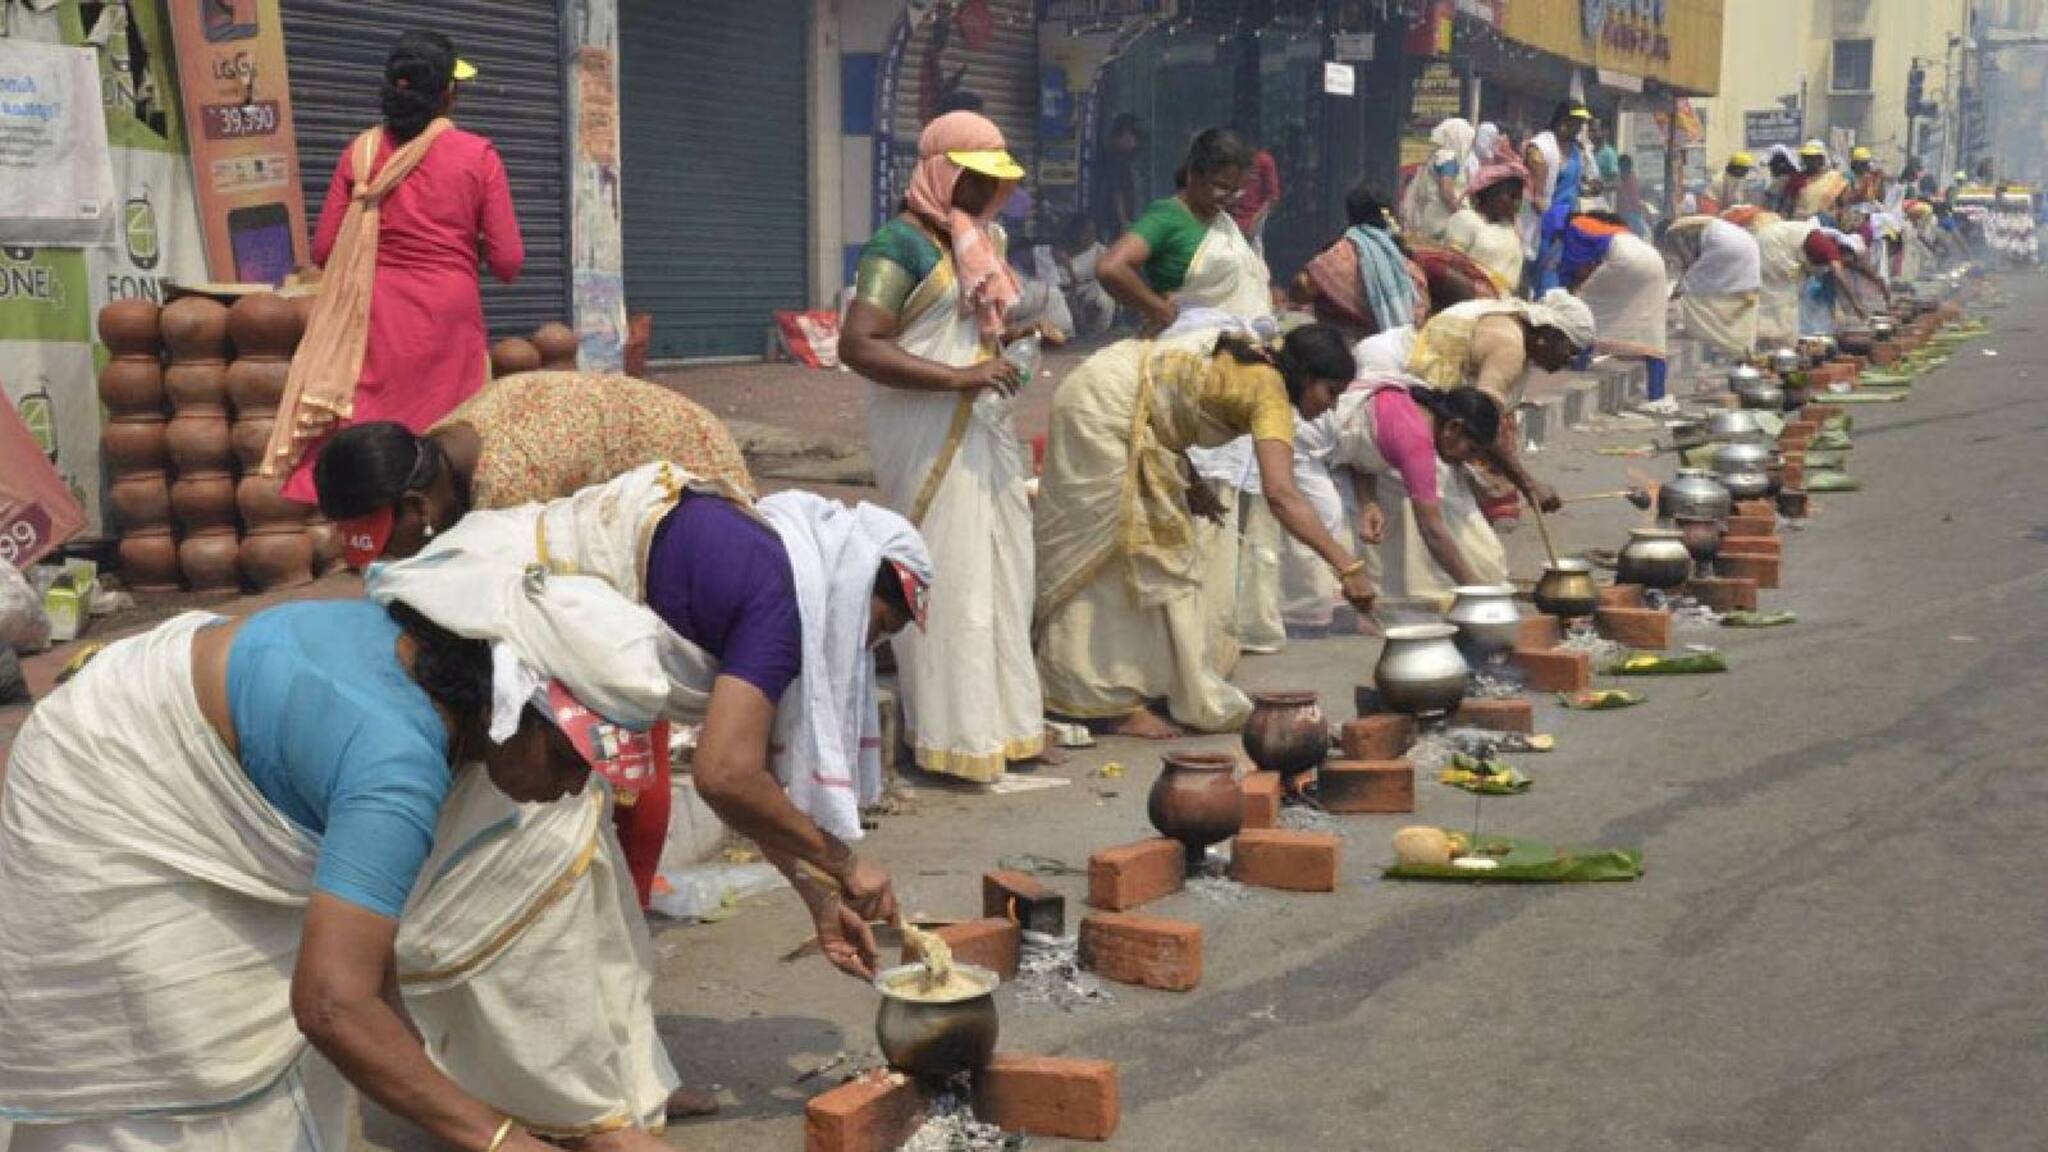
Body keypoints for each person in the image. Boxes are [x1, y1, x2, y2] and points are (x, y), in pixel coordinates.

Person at [0, 578, 675, 1151]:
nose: (569, 791)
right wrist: (502, 1139)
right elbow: (330, 1006)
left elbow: (361, 967)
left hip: (171, 718)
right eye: (566, 762)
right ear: (506, 710)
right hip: (114, 787)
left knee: (304, 1063)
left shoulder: (428, 674)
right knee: (201, 1078)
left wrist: (444, 1094)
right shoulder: (396, 762)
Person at [838, 111, 1055, 782]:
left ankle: (1006, 727)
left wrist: (1016, 342)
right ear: (945, 174)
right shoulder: (897, 246)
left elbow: (980, 332)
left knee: (1004, 574)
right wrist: (960, 376)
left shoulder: (979, 241)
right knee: (950, 576)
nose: (991, 198)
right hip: (927, 435)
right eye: (979, 182)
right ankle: (953, 738)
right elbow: (859, 344)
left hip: (983, 433)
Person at [1034, 326, 1370, 738]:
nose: (1331, 407)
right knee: (1112, 552)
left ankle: (1136, 681)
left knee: (1155, 554)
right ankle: (1100, 700)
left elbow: (1170, 409)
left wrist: (1191, 483)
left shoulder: (1261, 367)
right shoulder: (1271, 396)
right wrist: (1347, 566)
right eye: (1330, 393)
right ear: (1305, 375)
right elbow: (1282, 495)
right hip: (1105, 408)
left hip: (1119, 394)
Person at [267, 30, 522, 502]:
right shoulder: (477, 156)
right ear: (448, 93)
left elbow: (325, 249)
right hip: (448, 319)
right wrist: (470, 246)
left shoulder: (359, 154)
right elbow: (509, 260)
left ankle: (376, 538)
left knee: (374, 435)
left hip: (372, 320)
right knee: (444, 441)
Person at [1404, 290, 1596, 519]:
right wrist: (1529, 485)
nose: (1569, 360)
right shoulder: (1509, 347)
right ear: (1548, 335)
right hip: (1418, 424)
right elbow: (1479, 423)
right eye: (1570, 350)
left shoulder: (1502, 317)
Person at [1318, 377, 1508, 610]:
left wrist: (1368, 501)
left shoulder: (1412, 410)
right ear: (1453, 428)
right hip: (1314, 442)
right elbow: (1433, 532)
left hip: (1336, 456)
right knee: (1327, 525)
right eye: (1470, 450)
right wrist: (1475, 591)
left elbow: (1366, 453)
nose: (1466, 459)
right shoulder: (1417, 440)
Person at [1098, 127, 1271, 331]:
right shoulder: (1168, 216)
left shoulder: (1222, 221)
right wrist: (1158, 309)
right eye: (1221, 186)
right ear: (1193, 174)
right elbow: (1110, 268)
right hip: (1190, 340)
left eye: (1237, 191)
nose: (1229, 198)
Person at [1557, 212, 1671, 404]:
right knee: (1653, 331)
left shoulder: (1576, 225)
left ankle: (1581, 360)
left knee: (1584, 303)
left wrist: (1567, 287)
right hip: (1654, 261)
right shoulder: (1616, 230)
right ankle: (1657, 396)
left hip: (1625, 260)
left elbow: (1573, 263)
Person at [1293, 185, 1429, 342]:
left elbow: (1300, 292)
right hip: (1399, 349)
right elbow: (1421, 306)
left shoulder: (1336, 256)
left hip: (1342, 351)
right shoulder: (1403, 260)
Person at [1661, 215, 1763, 359]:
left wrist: (1678, 290)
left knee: (1692, 291)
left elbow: (1688, 261)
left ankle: (1702, 334)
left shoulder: (1672, 233)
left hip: (1725, 246)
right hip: (1747, 245)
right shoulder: (1690, 223)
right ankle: (1738, 346)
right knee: (1726, 293)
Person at [1524, 100, 1595, 292]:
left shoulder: (1576, 151)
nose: (1579, 127)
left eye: (1581, 123)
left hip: (1570, 222)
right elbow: (1536, 196)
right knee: (1546, 278)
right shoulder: (1540, 149)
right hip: (1547, 226)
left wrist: (1588, 189)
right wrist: (1553, 222)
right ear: (1563, 121)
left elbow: (1572, 185)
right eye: (1576, 122)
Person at [1444, 161, 1530, 295]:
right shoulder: (1466, 220)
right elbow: (1449, 269)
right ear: (1490, 194)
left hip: (1506, 303)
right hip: (1472, 302)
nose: (1516, 203)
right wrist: (1479, 292)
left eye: (1519, 198)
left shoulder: (1510, 228)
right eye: (1511, 196)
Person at [1399, 117, 1475, 243]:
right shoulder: (1448, 158)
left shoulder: (1437, 155)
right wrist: (1460, 213)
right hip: (1442, 220)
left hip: (1431, 216)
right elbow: (1447, 190)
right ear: (1458, 137)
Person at [1094, 113, 1145, 243]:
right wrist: (1124, 222)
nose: (1134, 142)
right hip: (1113, 225)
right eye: (1130, 136)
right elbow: (1117, 193)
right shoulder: (1115, 162)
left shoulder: (1125, 160)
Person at [1230, 130, 1283, 257]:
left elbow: (1272, 198)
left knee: (1254, 265)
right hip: (1230, 223)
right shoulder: (1233, 160)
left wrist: (1255, 222)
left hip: (1252, 223)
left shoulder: (1264, 160)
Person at [1788, 139, 1849, 221]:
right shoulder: (1797, 179)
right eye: (1807, 157)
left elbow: (1843, 204)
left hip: (1826, 226)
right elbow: (1789, 205)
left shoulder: (1835, 178)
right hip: (1800, 226)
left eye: (1813, 158)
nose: (1809, 161)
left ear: (1822, 159)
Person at [1614, 154, 1650, 236]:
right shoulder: (1621, 181)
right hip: (1626, 217)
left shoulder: (1631, 179)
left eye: (1622, 168)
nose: (1620, 171)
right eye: (1620, 168)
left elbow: (1634, 199)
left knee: (1646, 233)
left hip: (1631, 217)